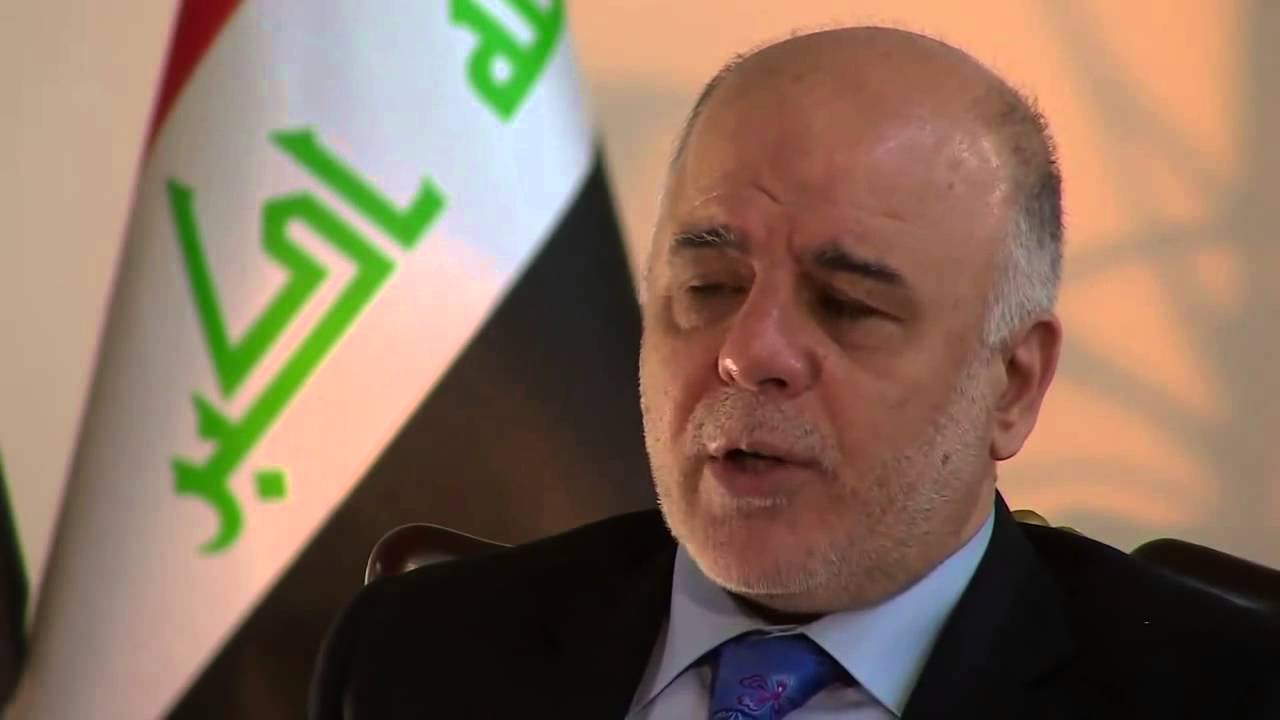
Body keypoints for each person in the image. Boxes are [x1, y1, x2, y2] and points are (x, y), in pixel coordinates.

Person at [309, 27, 1280, 719]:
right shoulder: (412, 658)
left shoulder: (1223, 694)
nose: (747, 351)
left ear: (1014, 384)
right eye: (708, 287)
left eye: (846, 305)